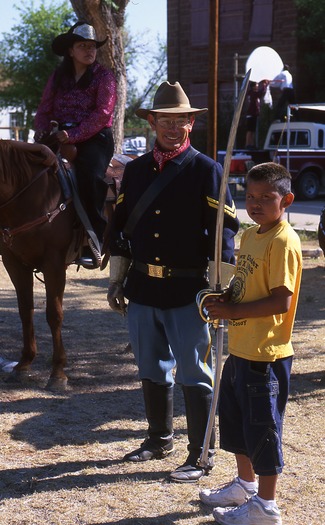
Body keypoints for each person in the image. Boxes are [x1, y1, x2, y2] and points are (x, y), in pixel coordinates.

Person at [107, 81, 239, 483]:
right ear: (152, 122)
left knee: (195, 372)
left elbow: (225, 233)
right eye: (165, 120)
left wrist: (221, 290)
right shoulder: (137, 171)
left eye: (180, 120)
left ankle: (201, 452)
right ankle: (158, 439)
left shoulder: (206, 170)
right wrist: (118, 278)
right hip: (144, 288)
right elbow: (122, 227)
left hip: (189, 291)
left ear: (190, 125)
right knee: (151, 366)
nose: (172, 127)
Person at [199, 162, 302, 525]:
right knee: (238, 422)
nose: (255, 203)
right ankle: (245, 484)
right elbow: (245, 285)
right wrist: (224, 297)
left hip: (265, 354)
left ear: (286, 199)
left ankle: (266, 507)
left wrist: (230, 309)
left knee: (263, 431)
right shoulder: (253, 234)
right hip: (241, 348)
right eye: (250, 196)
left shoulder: (284, 240)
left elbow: (281, 301)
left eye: (266, 197)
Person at [34, 21, 117, 266]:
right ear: (71, 51)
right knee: (29, 171)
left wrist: (74, 135)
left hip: (95, 138)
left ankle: (94, 239)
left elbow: (102, 114)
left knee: (90, 177)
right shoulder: (58, 77)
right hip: (58, 134)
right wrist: (41, 130)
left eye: (92, 46)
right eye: (83, 46)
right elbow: (44, 109)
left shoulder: (105, 77)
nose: (89, 51)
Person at [245, 80, 269, 149]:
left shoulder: (252, 93)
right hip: (251, 114)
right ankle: (247, 144)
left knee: (252, 130)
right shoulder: (253, 93)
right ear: (253, 86)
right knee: (249, 130)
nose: (258, 86)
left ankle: (251, 144)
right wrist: (264, 85)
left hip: (253, 114)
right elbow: (260, 93)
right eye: (256, 85)